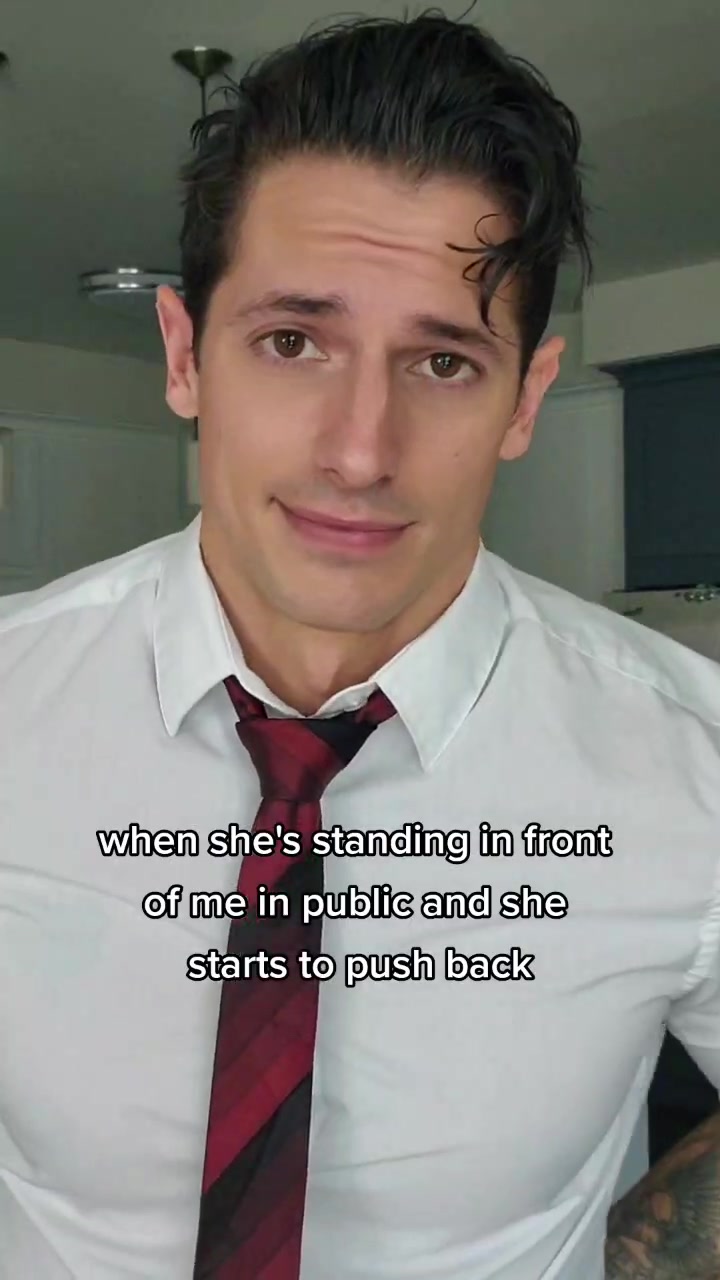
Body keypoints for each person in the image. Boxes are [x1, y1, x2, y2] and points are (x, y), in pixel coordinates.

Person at [2, 11, 720, 1280]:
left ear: (526, 397)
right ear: (184, 356)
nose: (358, 449)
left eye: (443, 359)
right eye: (292, 341)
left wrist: (652, 1250)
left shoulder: (692, 759)